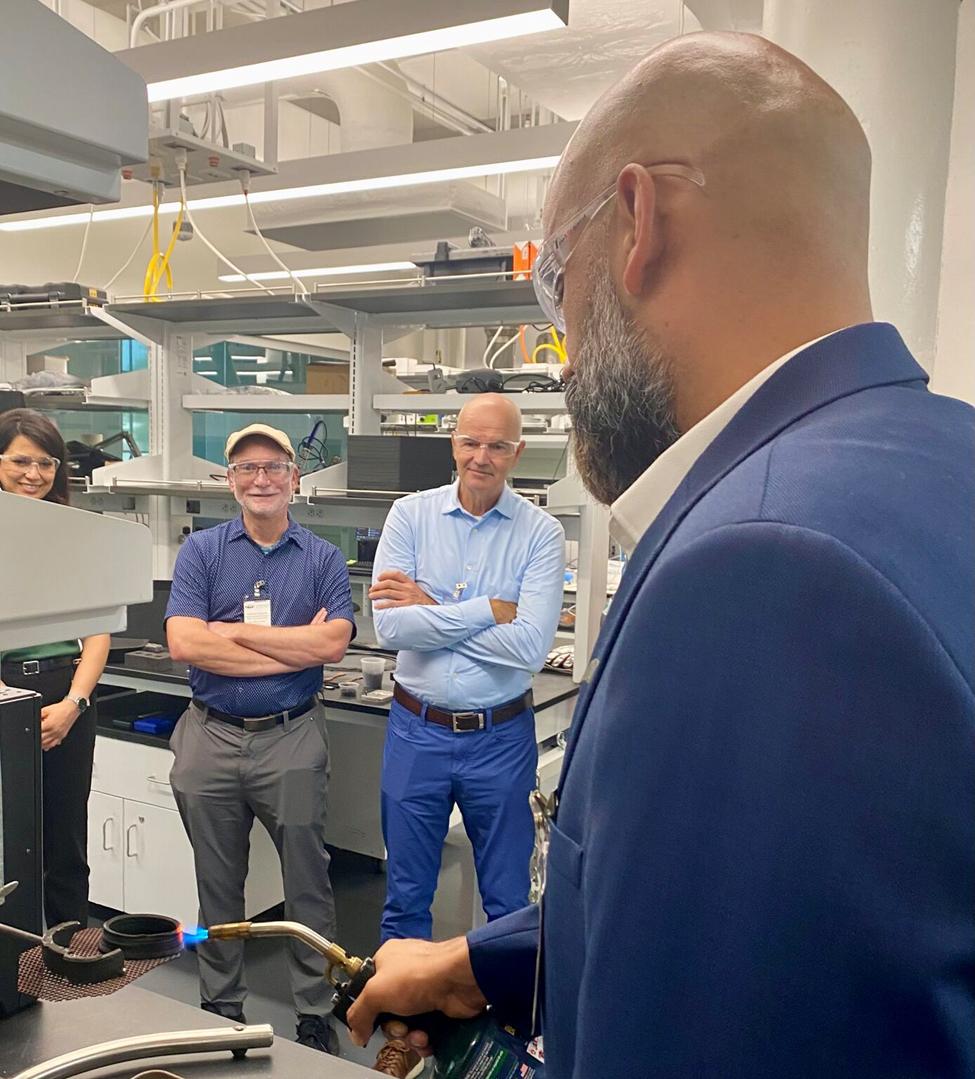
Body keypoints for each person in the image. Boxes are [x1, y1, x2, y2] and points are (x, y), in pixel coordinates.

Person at [345, 32, 975, 1078]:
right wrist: (482, 962)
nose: (564, 348)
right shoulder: (940, 455)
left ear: (637, 224)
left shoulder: (765, 569)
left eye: (557, 285)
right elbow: (757, 919)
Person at [165, 423, 355, 1055]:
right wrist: (293, 650)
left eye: (273, 466)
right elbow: (185, 643)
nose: (261, 479)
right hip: (209, 735)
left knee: (308, 878)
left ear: (295, 479)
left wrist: (237, 637)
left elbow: (332, 644)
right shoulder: (202, 551)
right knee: (216, 881)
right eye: (246, 469)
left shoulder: (323, 556)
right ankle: (220, 1005)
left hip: (291, 736)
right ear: (230, 481)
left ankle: (314, 1006)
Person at [368, 393, 565, 941]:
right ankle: (408, 1022)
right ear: (454, 445)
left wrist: (426, 607)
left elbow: (529, 648)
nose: (482, 456)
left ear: (518, 452)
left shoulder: (542, 534)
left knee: (507, 901)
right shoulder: (409, 515)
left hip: (500, 739)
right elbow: (391, 629)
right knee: (405, 897)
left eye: (497, 446)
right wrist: (486, 612)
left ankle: (503, 1025)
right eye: (471, 442)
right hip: (416, 733)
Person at [0, 408, 110, 928]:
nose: (34, 474)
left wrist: (74, 702)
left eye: (47, 463)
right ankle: (13, 964)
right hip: (4, 691)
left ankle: (68, 956)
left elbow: (97, 630)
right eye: (21, 460)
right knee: (9, 842)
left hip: (66, 692)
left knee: (66, 839)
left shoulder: (74, 535)